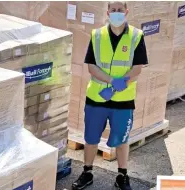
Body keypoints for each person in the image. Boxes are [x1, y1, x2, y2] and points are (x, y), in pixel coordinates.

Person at [71, 1, 148, 190]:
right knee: (91, 138)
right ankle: (87, 172)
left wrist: (121, 83)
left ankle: (122, 175)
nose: (116, 13)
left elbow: (137, 67)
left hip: (123, 100)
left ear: (126, 12)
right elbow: (91, 66)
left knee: (121, 139)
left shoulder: (136, 36)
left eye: (119, 10)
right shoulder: (97, 35)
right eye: (113, 10)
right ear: (107, 12)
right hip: (97, 97)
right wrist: (113, 81)